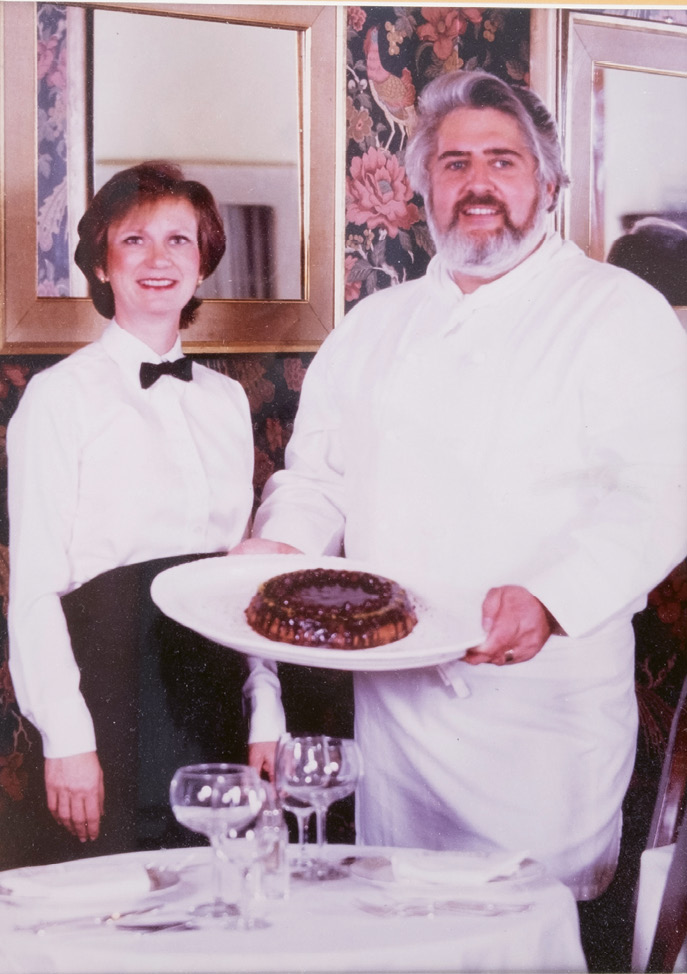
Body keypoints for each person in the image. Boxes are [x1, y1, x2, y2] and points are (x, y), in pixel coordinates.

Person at [236, 71, 687, 901]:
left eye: (503, 162)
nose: (478, 185)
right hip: (397, 718)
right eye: (453, 164)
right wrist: (279, 547)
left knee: (525, 932)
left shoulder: (617, 311)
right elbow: (319, 479)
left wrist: (550, 599)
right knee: (401, 928)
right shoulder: (373, 325)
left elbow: (659, 493)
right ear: (421, 189)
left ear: (547, 182)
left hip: (538, 719)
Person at [7, 161, 282, 861]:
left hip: (216, 693)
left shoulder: (225, 403)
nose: (158, 260)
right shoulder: (59, 398)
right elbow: (36, 583)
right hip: (110, 696)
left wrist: (266, 712)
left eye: (178, 241)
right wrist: (67, 739)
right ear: (101, 264)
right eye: (133, 241)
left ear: (202, 264)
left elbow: (240, 582)